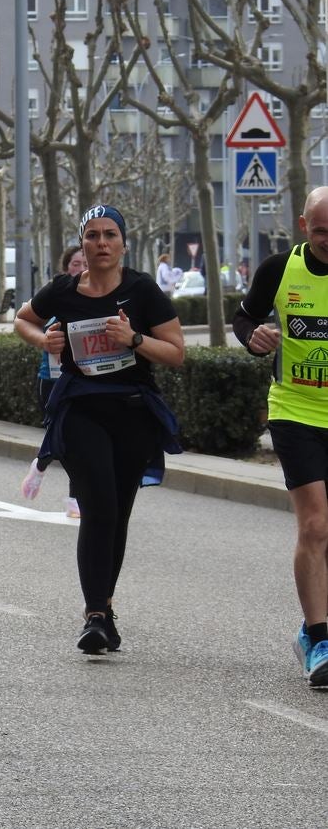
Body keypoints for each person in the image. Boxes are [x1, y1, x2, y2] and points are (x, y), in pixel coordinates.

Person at [13, 204, 183, 655]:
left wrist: (135, 341)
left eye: (110, 234)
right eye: (93, 235)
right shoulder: (64, 291)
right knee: (99, 506)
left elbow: (177, 352)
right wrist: (41, 339)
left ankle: (104, 609)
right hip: (81, 410)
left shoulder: (142, 291)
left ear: (123, 243)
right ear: (82, 244)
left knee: (118, 513)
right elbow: (23, 318)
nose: (101, 243)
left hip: (132, 411)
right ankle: (94, 615)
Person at [233, 186, 328, 688]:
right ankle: (319, 636)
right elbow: (243, 315)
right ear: (303, 225)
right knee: (315, 525)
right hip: (295, 410)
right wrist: (254, 336)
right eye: (321, 231)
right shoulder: (279, 268)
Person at [21, 245, 86, 518]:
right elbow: (27, 319)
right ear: (66, 267)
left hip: (82, 381)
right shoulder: (56, 295)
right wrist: (45, 339)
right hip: (52, 380)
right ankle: (41, 464)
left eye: (84, 262)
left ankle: (75, 499)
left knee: (79, 440)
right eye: (75, 263)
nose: (81, 267)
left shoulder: (99, 297)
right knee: (60, 435)